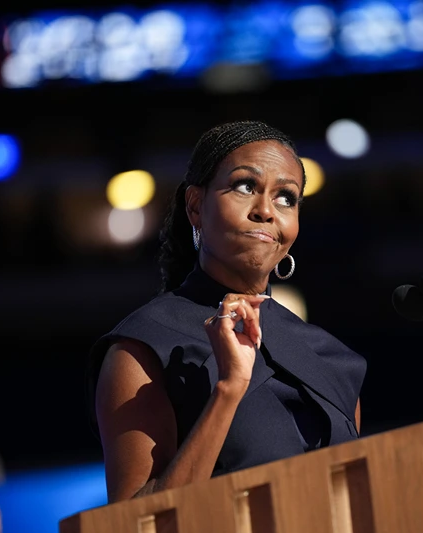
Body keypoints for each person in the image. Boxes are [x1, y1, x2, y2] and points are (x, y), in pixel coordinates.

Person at [86, 121, 367, 503]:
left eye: (286, 197)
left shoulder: (331, 358)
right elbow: (134, 523)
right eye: (245, 186)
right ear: (196, 206)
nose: (266, 210)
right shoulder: (145, 347)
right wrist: (228, 391)